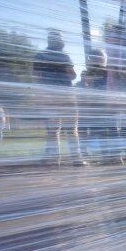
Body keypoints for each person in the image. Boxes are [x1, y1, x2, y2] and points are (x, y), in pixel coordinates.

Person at [32, 29, 82, 163]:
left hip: (50, 97)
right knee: (70, 129)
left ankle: (54, 158)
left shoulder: (40, 56)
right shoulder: (64, 57)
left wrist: (39, 97)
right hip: (65, 96)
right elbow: (72, 75)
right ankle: (76, 159)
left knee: (53, 130)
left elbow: (36, 77)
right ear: (60, 41)